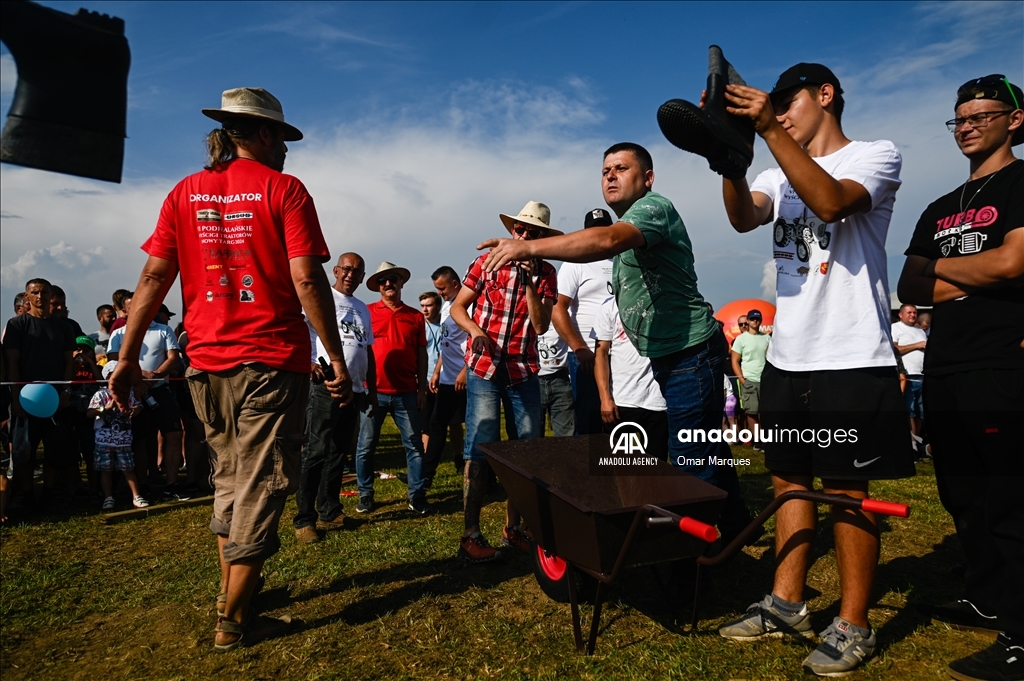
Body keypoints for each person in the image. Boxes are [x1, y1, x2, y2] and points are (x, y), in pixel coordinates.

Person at [108, 87, 352, 651]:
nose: (288, 151)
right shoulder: (285, 189)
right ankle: (233, 623)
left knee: (230, 481)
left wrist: (126, 355)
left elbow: (151, 279)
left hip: (206, 365)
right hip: (269, 360)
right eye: (282, 139)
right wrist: (334, 355)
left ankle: (234, 596)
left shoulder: (185, 192)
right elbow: (308, 279)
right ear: (262, 134)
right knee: (262, 486)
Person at [710, 62, 914, 676]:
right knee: (789, 482)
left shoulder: (875, 156)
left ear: (824, 96)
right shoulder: (776, 165)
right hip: (787, 357)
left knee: (848, 495)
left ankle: (854, 625)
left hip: (851, 355)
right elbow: (745, 216)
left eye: (786, 103)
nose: (778, 112)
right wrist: (730, 155)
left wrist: (768, 127)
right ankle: (786, 602)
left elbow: (830, 203)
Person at [477, 143, 752, 541]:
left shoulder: (654, 209)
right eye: (605, 169)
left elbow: (604, 241)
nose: (610, 175)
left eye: (621, 168)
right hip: (672, 356)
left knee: (690, 457)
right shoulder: (628, 235)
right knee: (706, 445)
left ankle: (695, 558)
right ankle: (734, 524)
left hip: (689, 354)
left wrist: (528, 246)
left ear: (648, 177)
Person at [897, 73, 1023, 681]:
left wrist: (945, 275)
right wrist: (986, 269)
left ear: (1014, 121)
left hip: (1003, 361)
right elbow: (909, 286)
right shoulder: (939, 206)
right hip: (946, 364)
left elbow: (1015, 260)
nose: (967, 125)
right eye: (959, 118)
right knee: (963, 495)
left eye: (981, 115)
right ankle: (985, 596)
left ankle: (1022, 636)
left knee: (1010, 498)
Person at [450, 201, 560, 563]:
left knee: (527, 450)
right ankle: (470, 533)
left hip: (523, 369)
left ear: (542, 238)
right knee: (479, 446)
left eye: (533, 232)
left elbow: (541, 325)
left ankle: (515, 529)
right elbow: (457, 307)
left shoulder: (545, 272)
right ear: (513, 229)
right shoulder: (486, 262)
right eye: (520, 229)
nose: (524, 235)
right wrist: (475, 331)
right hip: (484, 366)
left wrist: (529, 279)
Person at [293, 252, 372, 543]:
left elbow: (366, 348)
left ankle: (330, 509)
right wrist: (308, 363)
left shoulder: (363, 308)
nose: (351, 275)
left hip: (354, 389)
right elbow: (298, 329)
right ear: (336, 270)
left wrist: (370, 388)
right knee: (315, 450)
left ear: (362, 278)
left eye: (357, 271)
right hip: (325, 384)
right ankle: (304, 519)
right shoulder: (322, 298)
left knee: (339, 450)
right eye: (347, 269)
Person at [355, 261, 430, 516]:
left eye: (393, 279)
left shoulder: (416, 316)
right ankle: (365, 494)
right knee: (366, 446)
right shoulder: (366, 312)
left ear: (401, 283)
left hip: (407, 392)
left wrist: (421, 389)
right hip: (372, 392)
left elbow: (422, 354)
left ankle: (417, 496)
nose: (388, 284)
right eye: (383, 281)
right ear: (377, 286)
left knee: (414, 446)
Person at [3, 278, 77, 502]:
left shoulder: (64, 326)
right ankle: (26, 495)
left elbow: (69, 363)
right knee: (25, 452)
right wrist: (15, 398)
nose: (39, 296)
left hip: (55, 399)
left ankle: (48, 493)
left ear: (50, 295)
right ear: (27, 296)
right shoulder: (17, 325)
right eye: (34, 292)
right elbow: (12, 364)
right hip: (25, 400)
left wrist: (66, 393)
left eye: (44, 292)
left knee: (55, 451)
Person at [550, 208, 615, 434]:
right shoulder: (575, 263)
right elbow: (557, 308)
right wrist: (578, 347)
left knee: (622, 420)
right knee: (590, 422)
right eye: (594, 231)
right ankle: (589, 469)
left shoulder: (623, 259)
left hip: (622, 352)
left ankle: (618, 468)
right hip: (588, 354)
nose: (599, 234)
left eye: (605, 229)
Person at [109, 303, 185, 494]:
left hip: (160, 390)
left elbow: (173, 358)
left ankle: (172, 484)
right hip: (133, 391)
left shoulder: (163, 330)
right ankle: (142, 484)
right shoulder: (119, 333)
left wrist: (154, 376)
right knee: (139, 438)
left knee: (174, 434)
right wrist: (140, 375)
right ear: (126, 311)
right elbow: (113, 360)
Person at [592, 295, 668, 460]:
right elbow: (601, 354)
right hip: (622, 401)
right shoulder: (610, 305)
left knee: (656, 467)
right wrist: (605, 399)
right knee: (620, 466)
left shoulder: (664, 299)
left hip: (659, 400)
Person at [422, 266, 468, 485]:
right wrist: (438, 370)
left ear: (455, 284)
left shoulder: (469, 304)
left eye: (442, 288)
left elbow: (477, 341)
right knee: (437, 423)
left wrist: (465, 371)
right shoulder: (448, 307)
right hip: (447, 380)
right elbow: (447, 343)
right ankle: (426, 475)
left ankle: (485, 477)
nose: (440, 293)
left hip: (466, 380)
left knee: (476, 427)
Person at [87, 361, 149, 510]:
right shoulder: (100, 394)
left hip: (123, 440)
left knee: (128, 469)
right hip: (104, 440)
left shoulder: (129, 393)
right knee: (106, 471)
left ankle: (136, 496)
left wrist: (136, 410)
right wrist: (105, 408)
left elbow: (138, 405)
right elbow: (89, 413)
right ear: (108, 377)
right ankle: (108, 497)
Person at [890, 304, 927, 450]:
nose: (912, 315)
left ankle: (916, 442)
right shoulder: (896, 328)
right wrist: (917, 345)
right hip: (907, 374)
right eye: (909, 312)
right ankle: (909, 443)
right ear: (901, 314)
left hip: (922, 374)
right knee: (909, 409)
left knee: (920, 411)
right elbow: (895, 349)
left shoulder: (920, 330)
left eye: (915, 312)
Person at [730, 308, 770, 439]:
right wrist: (742, 379)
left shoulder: (766, 338)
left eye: (757, 319)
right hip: (749, 379)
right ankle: (758, 441)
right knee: (752, 412)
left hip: (765, 380)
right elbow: (734, 361)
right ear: (748, 321)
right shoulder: (741, 339)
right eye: (752, 319)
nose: (755, 321)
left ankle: (764, 439)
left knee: (765, 412)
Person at [536, 324, 575, 437]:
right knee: (532, 438)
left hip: (560, 379)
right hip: (534, 381)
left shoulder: (562, 314)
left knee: (566, 437)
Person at [419, 291, 443, 452]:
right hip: (426, 379)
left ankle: (458, 456)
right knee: (425, 423)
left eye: (428, 305)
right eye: (422, 306)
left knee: (453, 422)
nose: (425, 310)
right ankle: (425, 456)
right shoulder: (420, 326)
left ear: (438, 306)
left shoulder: (446, 323)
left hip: (446, 378)